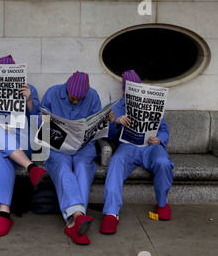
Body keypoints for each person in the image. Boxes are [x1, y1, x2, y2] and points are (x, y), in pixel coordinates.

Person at [0, 55, 46, 237]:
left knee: (4, 152)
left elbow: (36, 122)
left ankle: (4, 213)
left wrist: (29, 101)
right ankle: (31, 167)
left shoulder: (29, 89)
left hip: (22, 143)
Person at [100, 70, 173, 234]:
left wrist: (160, 139)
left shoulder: (153, 102)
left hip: (151, 146)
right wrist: (116, 122)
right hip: (128, 147)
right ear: (125, 91)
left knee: (163, 163)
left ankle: (162, 203)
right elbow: (108, 134)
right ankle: (111, 212)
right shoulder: (118, 105)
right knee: (116, 162)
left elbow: (164, 129)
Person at [41, 71, 105, 245]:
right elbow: (39, 124)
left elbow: (97, 126)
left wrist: (107, 122)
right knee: (62, 169)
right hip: (58, 145)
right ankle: (78, 219)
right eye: (72, 98)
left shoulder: (93, 96)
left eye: (79, 99)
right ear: (67, 88)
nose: (76, 101)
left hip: (83, 147)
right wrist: (43, 121)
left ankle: (74, 222)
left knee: (83, 169)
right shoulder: (52, 93)